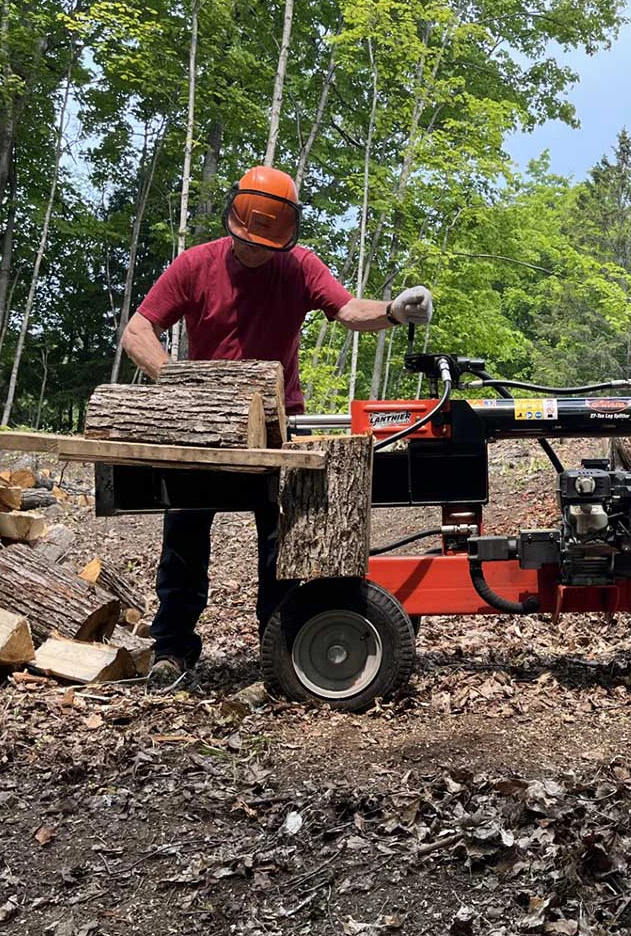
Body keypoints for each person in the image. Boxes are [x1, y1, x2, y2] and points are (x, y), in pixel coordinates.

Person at [120, 164, 432, 687]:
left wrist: (393, 311)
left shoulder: (300, 267)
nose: (256, 251)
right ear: (232, 224)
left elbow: (348, 309)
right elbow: (138, 329)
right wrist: (175, 381)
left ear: (285, 238)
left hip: (278, 422)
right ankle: (173, 647)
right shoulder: (196, 265)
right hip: (204, 423)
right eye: (248, 241)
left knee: (281, 543)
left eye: (268, 244)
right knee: (185, 536)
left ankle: (283, 646)